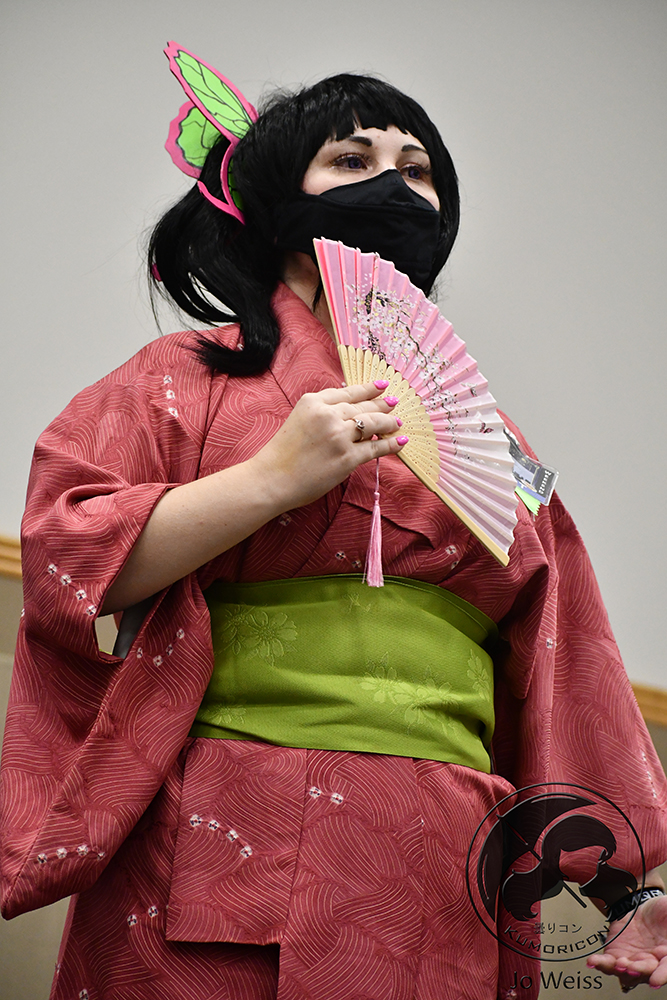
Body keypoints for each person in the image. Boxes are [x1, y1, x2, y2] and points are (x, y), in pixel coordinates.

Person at [1, 49, 667, 1000]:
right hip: (226, 817)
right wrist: (270, 479)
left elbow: (565, 659)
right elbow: (68, 554)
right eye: (352, 160)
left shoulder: (491, 440)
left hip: (440, 848)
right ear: (279, 201)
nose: (392, 183)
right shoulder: (180, 377)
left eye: (416, 169)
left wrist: (619, 888)